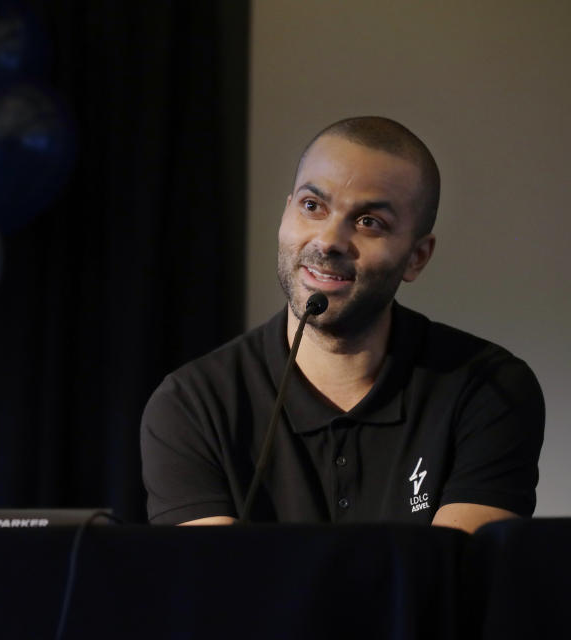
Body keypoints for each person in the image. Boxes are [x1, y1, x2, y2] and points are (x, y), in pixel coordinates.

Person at [140, 116, 545, 533]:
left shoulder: (488, 388)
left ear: (417, 257)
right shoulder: (192, 404)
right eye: (312, 206)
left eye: (369, 222)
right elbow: (210, 589)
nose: (329, 240)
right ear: (286, 213)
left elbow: (451, 583)